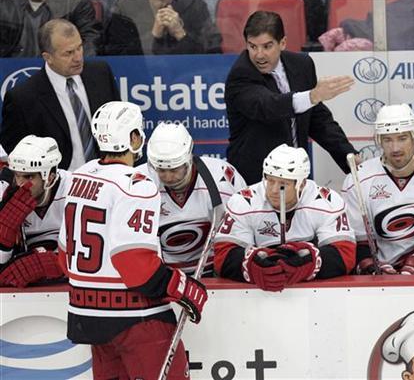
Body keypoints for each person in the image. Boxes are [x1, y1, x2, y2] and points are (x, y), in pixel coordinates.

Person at [58, 101, 207, 379]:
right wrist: (183, 287)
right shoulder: (136, 185)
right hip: (135, 318)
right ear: (134, 138)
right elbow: (136, 267)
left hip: (87, 315)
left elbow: (63, 257)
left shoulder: (78, 178)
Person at [225, 10, 358, 185]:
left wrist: (349, 157)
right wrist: (312, 95)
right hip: (255, 180)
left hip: (297, 176)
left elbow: (318, 120)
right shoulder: (241, 74)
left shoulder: (302, 65)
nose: (259, 55)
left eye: (267, 46)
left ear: (283, 43)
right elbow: (268, 106)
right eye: (252, 46)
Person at [214, 144, 356, 292]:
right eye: (270, 180)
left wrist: (309, 263)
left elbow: (345, 253)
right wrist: (251, 266)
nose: (274, 190)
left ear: (302, 184)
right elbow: (222, 255)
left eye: (283, 184)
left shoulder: (327, 201)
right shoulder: (243, 201)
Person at [341, 104, 414, 274]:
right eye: (387, 139)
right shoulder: (358, 179)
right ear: (378, 141)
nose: (395, 148)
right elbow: (357, 242)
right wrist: (370, 267)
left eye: (402, 138)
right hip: (380, 277)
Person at [0, 18, 120, 171]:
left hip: (107, 178)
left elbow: (120, 128)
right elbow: (15, 158)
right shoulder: (22, 99)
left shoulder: (101, 73)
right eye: (68, 53)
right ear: (47, 57)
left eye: (79, 47)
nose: (78, 57)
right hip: (59, 188)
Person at [138, 122, 246, 276]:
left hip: (214, 272)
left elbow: (244, 227)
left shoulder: (223, 178)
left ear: (189, 158)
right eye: (161, 170)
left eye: (174, 169)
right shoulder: (138, 182)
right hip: (162, 277)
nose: (167, 177)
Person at [0, 135, 67, 288]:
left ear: (49, 176)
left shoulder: (74, 189)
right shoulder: (4, 190)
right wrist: (5, 229)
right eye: (17, 175)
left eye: (29, 177)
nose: (20, 184)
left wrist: (57, 262)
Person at [116, 0, 222, 55]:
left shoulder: (195, 6)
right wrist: (154, 35)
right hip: (140, 78)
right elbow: (116, 55)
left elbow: (213, 52)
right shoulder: (126, 8)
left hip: (188, 76)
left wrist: (180, 33)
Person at [0, 0, 101, 57]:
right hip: (11, 70)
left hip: (60, 69)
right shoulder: (6, 6)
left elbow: (90, 43)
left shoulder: (76, 5)